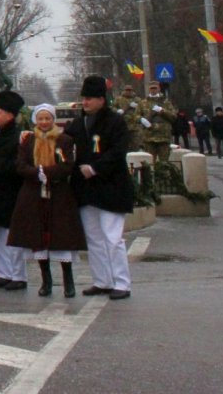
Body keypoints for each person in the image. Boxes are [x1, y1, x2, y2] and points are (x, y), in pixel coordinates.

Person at [8, 104, 86, 298]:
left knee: (61, 236)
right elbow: (20, 165)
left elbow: (67, 165)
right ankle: (46, 280)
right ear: (36, 120)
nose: (44, 122)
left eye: (47, 119)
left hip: (58, 193)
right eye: (41, 119)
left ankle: (68, 281)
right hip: (34, 192)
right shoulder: (28, 141)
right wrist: (37, 173)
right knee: (39, 238)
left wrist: (48, 173)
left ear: (52, 120)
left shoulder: (64, 140)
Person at [67, 75, 133, 300]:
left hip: (111, 188)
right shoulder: (78, 123)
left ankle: (122, 283)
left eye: (90, 98)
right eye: (83, 98)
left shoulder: (115, 121)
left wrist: (95, 168)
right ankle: (102, 280)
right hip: (86, 191)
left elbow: (118, 151)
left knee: (113, 238)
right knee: (94, 238)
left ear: (101, 99)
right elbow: (64, 144)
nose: (85, 102)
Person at [0, 90, 29, 291]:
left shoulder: (19, 136)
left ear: (10, 115)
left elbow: (18, 164)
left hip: (12, 190)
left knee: (13, 234)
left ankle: (19, 275)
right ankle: (4, 273)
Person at [141, 82, 177, 162]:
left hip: (163, 137)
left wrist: (163, 111)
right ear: (149, 89)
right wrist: (142, 120)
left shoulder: (166, 102)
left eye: (155, 88)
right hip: (149, 137)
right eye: (151, 88)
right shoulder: (143, 103)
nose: (153, 90)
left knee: (164, 164)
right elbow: (136, 116)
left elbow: (173, 117)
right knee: (149, 163)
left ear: (159, 89)